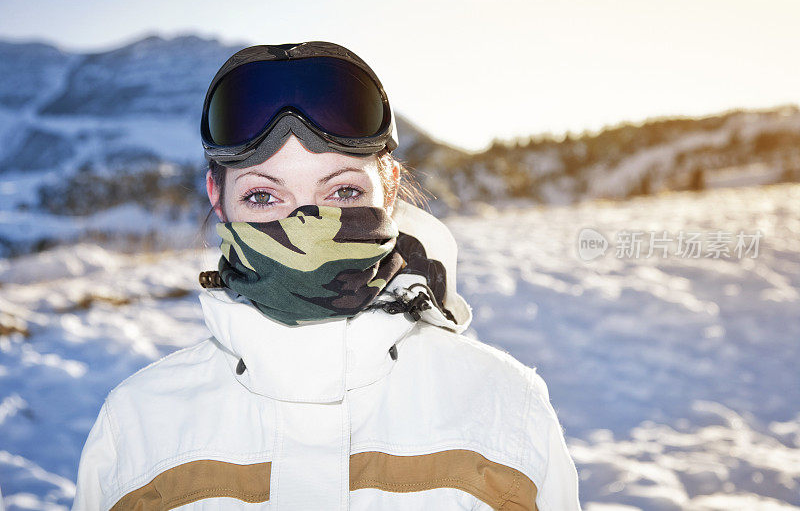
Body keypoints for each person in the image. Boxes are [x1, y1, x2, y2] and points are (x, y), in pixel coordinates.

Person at [72, 41, 581, 510]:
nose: (308, 226)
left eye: (342, 193)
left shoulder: (504, 408)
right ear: (217, 199)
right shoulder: (138, 428)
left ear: (391, 188)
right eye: (264, 197)